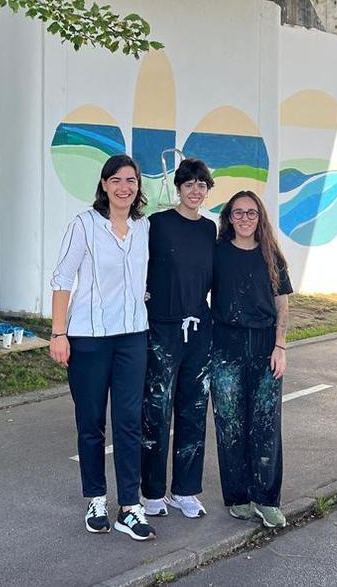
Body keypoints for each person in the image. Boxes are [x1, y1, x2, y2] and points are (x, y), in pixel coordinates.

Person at [49, 154, 154, 541]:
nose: (124, 187)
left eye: (131, 180)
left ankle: (130, 506)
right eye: (117, 180)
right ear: (105, 185)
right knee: (91, 423)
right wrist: (58, 334)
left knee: (129, 422)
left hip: (132, 338)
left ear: (138, 186)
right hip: (88, 340)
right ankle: (96, 499)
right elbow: (61, 279)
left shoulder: (144, 228)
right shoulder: (84, 225)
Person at [209, 190, 292, 528]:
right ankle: (238, 496)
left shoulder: (273, 256)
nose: (245, 218)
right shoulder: (216, 254)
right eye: (238, 213)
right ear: (229, 217)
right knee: (230, 424)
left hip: (264, 346)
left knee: (265, 425)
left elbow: (282, 304)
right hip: (225, 345)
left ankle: (267, 498)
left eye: (251, 213)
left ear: (260, 218)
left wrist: (280, 346)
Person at [139, 158, 216, 519]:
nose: (195, 190)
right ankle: (151, 492)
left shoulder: (209, 229)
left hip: (199, 331)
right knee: (156, 411)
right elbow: (136, 267)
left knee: (194, 411)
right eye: (189, 184)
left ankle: (184, 491)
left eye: (202, 185)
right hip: (162, 329)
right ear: (178, 187)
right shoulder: (157, 225)